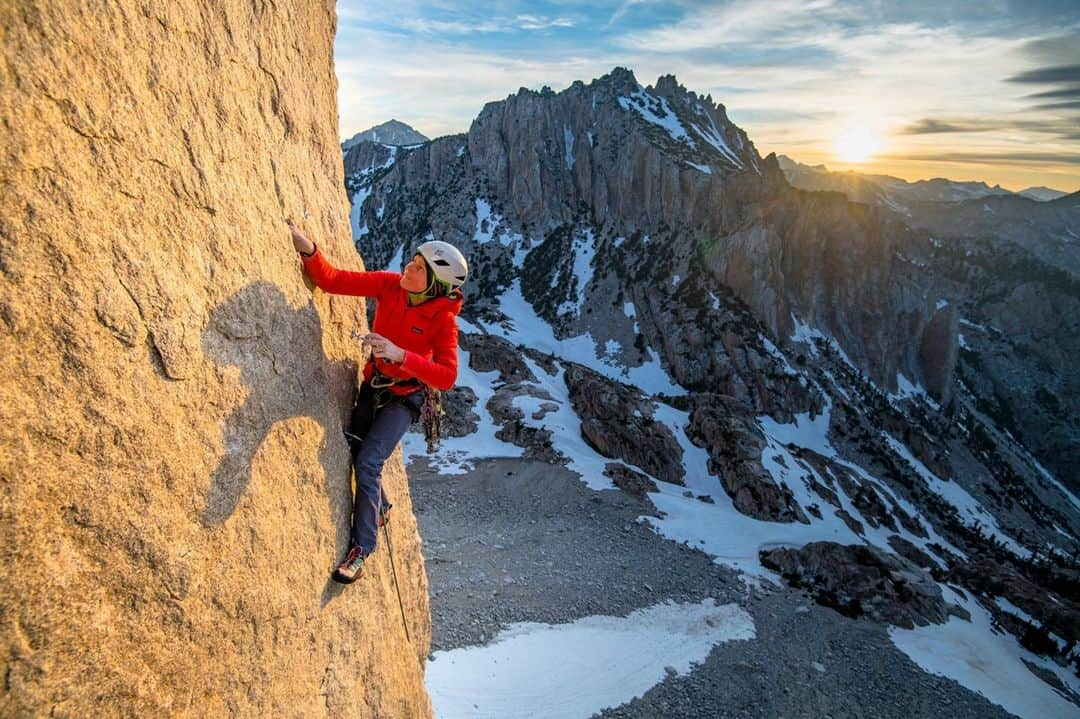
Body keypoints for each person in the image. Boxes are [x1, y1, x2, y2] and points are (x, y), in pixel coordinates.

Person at [287, 219, 467, 584]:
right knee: (355, 449)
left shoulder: (444, 321)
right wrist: (308, 249)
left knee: (368, 462)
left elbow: (447, 376)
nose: (408, 268)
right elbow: (335, 281)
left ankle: (362, 550)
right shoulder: (390, 286)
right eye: (412, 261)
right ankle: (380, 506)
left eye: (418, 268)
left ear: (434, 284)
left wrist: (402, 355)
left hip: (405, 398)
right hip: (375, 385)